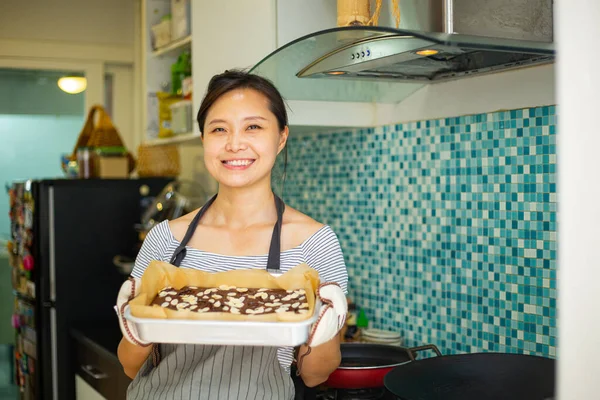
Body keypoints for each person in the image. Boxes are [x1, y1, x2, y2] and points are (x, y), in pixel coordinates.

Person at [114, 70, 348, 399]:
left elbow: (315, 375)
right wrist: (135, 326)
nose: (234, 143)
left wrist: (324, 325)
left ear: (281, 137)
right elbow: (129, 366)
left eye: (253, 127)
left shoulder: (314, 243)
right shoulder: (167, 238)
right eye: (219, 129)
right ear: (204, 140)